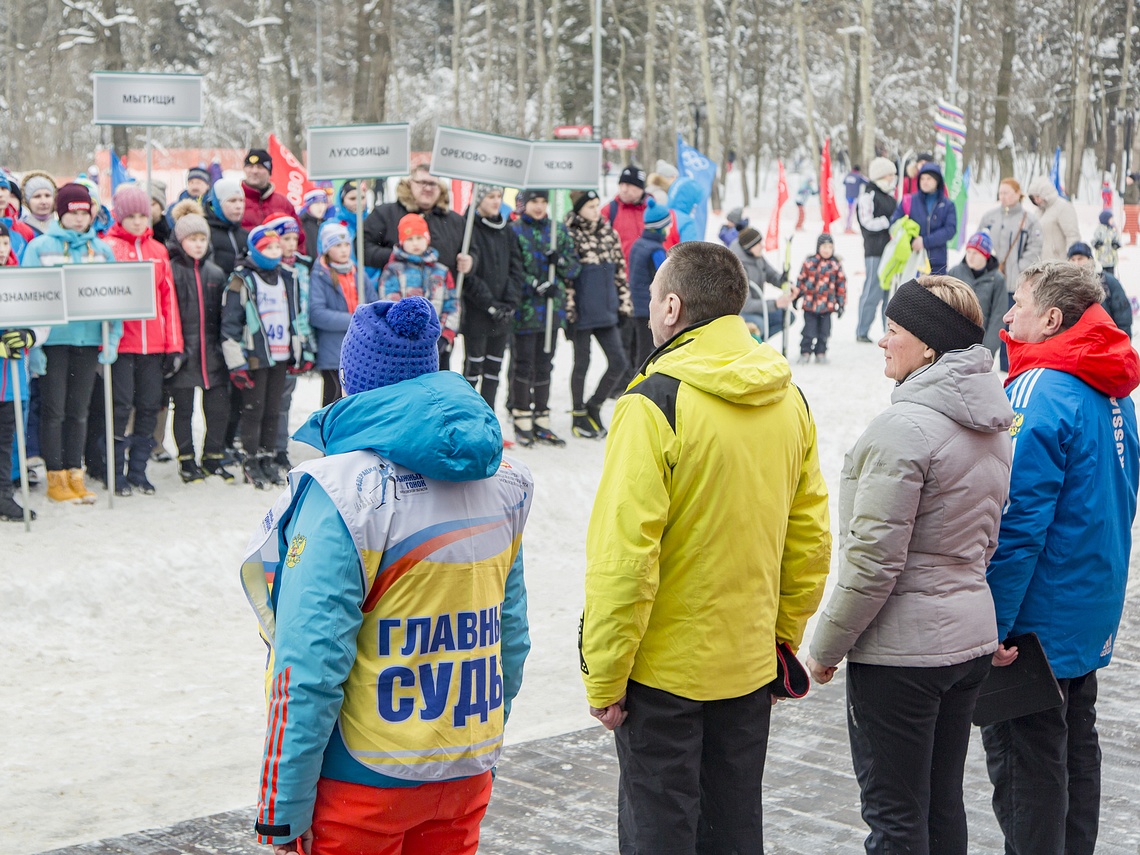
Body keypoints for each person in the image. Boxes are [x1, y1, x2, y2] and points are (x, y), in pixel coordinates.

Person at [241, 297, 533, 855]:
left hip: (362, 779)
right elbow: (509, 639)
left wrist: (282, 807)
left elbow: (308, 664)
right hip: (464, 765)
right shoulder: (502, 481)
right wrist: (479, 744)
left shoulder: (342, 491)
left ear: (352, 381)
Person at [580, 241, 831, 855]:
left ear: (671, 306)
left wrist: (605, 676)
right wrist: (781, 636)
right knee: (734, 827)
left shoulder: (653, 402)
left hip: (664, 675)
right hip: (747, 663)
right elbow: (810, 538)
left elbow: (623, 559)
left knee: (660, 832)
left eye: (649, 301)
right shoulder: (787, 398)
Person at [807, 276, 1013, 855]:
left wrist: (825, 648)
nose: (881, 341)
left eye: (893, 330)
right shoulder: (992, 424)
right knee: (941, 802)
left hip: (903, 655)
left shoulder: (904, 428)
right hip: (968, 640)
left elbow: (874, 563)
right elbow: (986, 537)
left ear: (928, 344)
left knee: (896, 816)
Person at [983, 260, 1140, 855]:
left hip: (1036, 618)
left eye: (1018, 304)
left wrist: (993, 622)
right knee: (1075, 748)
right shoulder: (1110, 387)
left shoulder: (1042, 386)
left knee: (1029, 767)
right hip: (1087, 604)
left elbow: (1017, 520)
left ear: (1051, 318)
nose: (1008, 315)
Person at [22, 183, 120, 504]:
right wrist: (33, 347)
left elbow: (118, 296)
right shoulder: (40, 247)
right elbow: (31, 295)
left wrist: (112, 338)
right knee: (54, 409)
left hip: (89, 338)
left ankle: (74, 473)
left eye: (84, 212)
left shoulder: (102, 250)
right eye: (72, 212)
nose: (79, 219)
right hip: (53, 341)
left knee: (79, 410)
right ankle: (56, 476)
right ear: (61, 213)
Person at [103, 185, 183, 496]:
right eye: (131, 216)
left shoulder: (158, 251)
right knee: (120, 408)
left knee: (150, 406)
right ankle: (114, 470)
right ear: (120, 217)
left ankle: (138, 469)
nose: (138, 221)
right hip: (122, 344)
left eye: (143, 215)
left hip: (154, 344)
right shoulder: (107, 248)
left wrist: (173, 344)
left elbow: (168, 300)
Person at [360, 164, 472, 369]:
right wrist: (396, 258)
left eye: (433, 183)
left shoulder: (454, 220)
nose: (427, 188)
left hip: (438, 321)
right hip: (400, 330)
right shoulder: (387, 213)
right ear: (409, 183)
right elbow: (362, 248)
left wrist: (471, 261)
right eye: (422, 182)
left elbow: (471, 249)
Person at [220, 224, 300, 489]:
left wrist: (302, 349)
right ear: (254, 250)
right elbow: (230, 325)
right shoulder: (242, 279)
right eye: (268, 247)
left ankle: (267, 457)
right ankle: (250, 458)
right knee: (254, 409)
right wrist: (236, 363)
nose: (274, 251)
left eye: (277, 246)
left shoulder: (287, 276)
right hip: (256, 356)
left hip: (281, 353)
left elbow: (295, 315)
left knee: (274, 409)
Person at [165, 200, 233, 483]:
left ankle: (212, 457)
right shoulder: (171, 270)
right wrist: (173, 349)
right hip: (184, 352)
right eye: (192, 239)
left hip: (212, 352)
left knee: (217, 408)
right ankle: (186, 459)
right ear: (181, 241)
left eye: (202, 239)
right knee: (183, 409)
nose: (198, 244)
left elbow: (223, 315)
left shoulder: (216, 273)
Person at [508, 189, 580, 447]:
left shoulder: (557, 231)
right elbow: (511, 269)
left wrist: (558, 260)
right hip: (525, 310)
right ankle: (521, 414)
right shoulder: (515, 230)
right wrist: (534, 284)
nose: (539, 207)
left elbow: (573, 267)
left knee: (545, 363)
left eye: (542, 202)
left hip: (551, 310)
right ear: (523, 205)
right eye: (533, 202)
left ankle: (542, 415)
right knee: (523, 362)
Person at [564, 189, 631, 439]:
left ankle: (594, 405)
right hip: (581, 311)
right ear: (579, 208)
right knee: (582, 363)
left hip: (606, 308)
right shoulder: (569, 233)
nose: (595, 210)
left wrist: (624, 304)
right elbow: (567, 279)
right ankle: (578, 412)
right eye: (590, 206)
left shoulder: (608, 232)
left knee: (619, 362)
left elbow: (619, 271)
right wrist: (569, 312)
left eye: (596, 205)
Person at [462, 184, 524, 410]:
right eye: (490, 196)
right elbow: (468, 277)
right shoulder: (469, 228)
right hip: (478, 313)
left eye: (498, 196)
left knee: (493, 370)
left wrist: (509, 303)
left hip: (502, 314)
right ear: (479, 200)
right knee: (473, 369)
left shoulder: (507, 230)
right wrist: (489, 305)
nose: (496, 201)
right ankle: (469, 417)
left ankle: (489, 418)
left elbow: (516, 268)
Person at [977, 178, 1043, 371]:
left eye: (1007, 192)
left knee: (1012, 323)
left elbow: (1035, 246)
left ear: (1017, 193)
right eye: (1000, 192)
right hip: (990, 280)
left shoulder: (1029, 220)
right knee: (987, 319)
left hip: (1015, 283)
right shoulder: (989, 217)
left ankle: (1009, 364)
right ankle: (982, 361)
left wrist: (1021, 267)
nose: (1002, 196)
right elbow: (979, 241)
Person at [310, 223, 377, 407]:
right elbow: (317, 313)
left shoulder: (357, 272)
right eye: (337, 245)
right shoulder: (320, 274)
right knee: (333, 401)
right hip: (333, 351)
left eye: (346, 244)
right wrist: (355, 320)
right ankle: (327, 436)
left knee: (356, 404)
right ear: (326, 248)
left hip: (360, 349)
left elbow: (373, 304)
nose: (343, 250)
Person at [378, 214, 459, 368]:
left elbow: (452, 304)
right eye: (409, 239)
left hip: (437, 343)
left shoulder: (441, 271)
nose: (415, 243)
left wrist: (445, 335)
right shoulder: (393, 270)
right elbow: (389, 304)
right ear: (402, 242)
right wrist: (405, 336)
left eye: (419, 238)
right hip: (406, 346)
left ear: (427, 239)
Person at [854, 158, 900, 342]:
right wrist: (887, 223)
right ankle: (862, 330)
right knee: (872, 290)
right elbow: (866, 221)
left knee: (889, 293)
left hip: (891, 251)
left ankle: (888, 329)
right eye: (889, 175)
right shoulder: (868, 195)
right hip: (874, 250)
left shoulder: (890, 197)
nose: (892, 179)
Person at [623, 204, 670, 379]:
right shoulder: (656, 250)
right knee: (648, 351)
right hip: (649, 306)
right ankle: (641, 383)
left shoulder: (639, 244)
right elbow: (665, 276)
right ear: (660, 228)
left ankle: (633, 380)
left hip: (637, 303)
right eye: (667, 226)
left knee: (638, 348)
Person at [890, 162, 957, 275]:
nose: (925, 182)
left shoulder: (947, 205)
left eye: (929, 178)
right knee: (912, 293)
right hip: (912, 259)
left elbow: (950, 230)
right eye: (922, 179)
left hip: (937, 262)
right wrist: (912, 241)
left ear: (937, 181)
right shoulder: (909, 201)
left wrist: (925, 241)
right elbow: (895, 223)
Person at [948, 231, 1008, 353]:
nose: (970, 256)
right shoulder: (955, 272)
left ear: (985, 255)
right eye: (968, 252)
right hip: (952, 342)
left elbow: (998, 316)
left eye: (975, 253)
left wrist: (987, 349)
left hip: (979, 345)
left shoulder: (997, 280)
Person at [239, 148, 306, 253]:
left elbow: (299, 237)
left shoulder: (283, 202)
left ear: (269, 172)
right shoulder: (237, 200)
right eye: (250, 166)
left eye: (260, 167)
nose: (254, 171)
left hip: (280, 264)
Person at [730, 226, 792, 339]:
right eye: (758, 244)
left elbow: (771, 275)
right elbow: (746, 305)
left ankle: (759, 342)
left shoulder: (757, 257)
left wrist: (787, 284)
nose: (762, 246)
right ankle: (751, 345)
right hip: (740, 312)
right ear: (748, 247)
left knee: (787, 317)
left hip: (757, 307)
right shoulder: (737, 268)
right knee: (760, 324)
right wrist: (775, 304)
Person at [795, 234, 846, 364]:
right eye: (824, 246)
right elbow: (801, 281)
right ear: (818, 247)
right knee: (809, 330)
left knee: (824, 332)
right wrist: (796, 296)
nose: (827, 250)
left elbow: (841, 286)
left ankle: (821, 352)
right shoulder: (809, 263)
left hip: (827, 306)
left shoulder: (835, 265)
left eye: (830, 247)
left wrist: (841, 303)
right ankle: (805, 351)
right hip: (810, 305)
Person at [1067, 242, 1131, 338]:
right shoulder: (1064, 286)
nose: (1076, 263)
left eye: (1080, 258)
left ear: (1090, 260)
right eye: (1073, 259)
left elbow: (1123, 315)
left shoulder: (1108, 282)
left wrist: (1121, 342)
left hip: (1106, 342)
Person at [1026, 176, 1080, 262]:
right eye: (1033, 198)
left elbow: (1072, 236)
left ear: (1046, 193)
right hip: (1042, 262)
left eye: (1038, 196)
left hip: (1060, 262)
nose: (1037, 200)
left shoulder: (1063, 207)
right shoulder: (1038, 212)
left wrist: (1072, 259)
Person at [205, 176, 250, 278]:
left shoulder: (246, 235)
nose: (238, 206)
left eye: (241, 200)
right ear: (217, 204)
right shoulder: (206, 233)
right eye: (232, 201)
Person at [604, 165, 650, 262]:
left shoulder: (653, 210)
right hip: (621, 274)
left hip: (650, 274)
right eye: (621, 185)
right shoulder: (609, 210)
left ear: (640, 188)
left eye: (628, 185)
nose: (624, 189)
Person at [19, 171, 57, 237]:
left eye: (47, 195)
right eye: (37, 196)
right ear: (26, 201)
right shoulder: (21, 229)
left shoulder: (62, 227)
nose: (43, 202)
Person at [298, 188, 330, 265]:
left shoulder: (327, 225)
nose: (320, 207)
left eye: (323, 203)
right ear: (309, 206)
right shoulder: (301, 225)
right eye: (316, 203)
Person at [1092, 210, 1121, 275]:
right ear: (1105, 219)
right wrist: (1097, 244)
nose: (1112, 221)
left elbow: (1117, 238)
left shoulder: (1113, 229)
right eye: (1111, 219)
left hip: (1111, 258)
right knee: (1102, 274)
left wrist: (1116, 244)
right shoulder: (1099, 229)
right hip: (1101, 258)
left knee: (1111, 274)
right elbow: (1094, 240)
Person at [843, 165, 866, 233]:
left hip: (847, 196)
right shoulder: (858, 176)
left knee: (849, 211)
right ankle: (848, 227)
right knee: (851, 212)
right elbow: (867, 181)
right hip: (854, 196)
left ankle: (847, 226)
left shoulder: (848, 175)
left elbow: (844, 182)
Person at [1123, 172, 1140, 245]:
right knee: (1131, 225)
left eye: (1128, 179)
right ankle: (1132, 239)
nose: (1127, 180)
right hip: (1129, 209)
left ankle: (1133, 240)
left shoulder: (1134, 188)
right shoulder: (1129, 187)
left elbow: (1135, 200)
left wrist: (1125, 198)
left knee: (1133, 225)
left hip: (1133, 209)